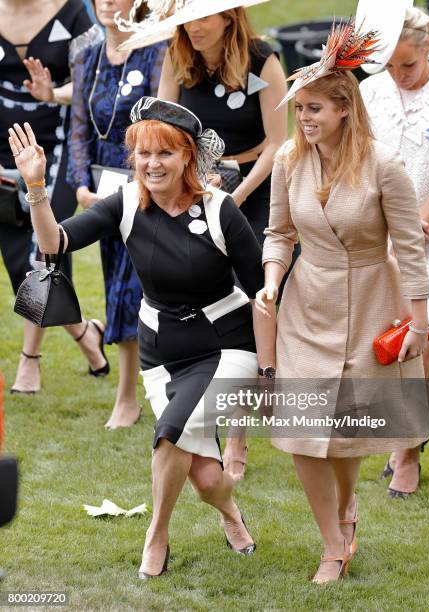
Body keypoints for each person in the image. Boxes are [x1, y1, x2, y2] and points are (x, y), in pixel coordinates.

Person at [8, 96, 274, 577]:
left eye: (164, 153)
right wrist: (35, 186)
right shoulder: (128, 201)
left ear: (188, 157)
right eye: (143, 154)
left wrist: (270, 373)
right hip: (161, 350)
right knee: (206, 476)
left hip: (226, 345)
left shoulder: (220, 212)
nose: (151, 164)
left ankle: (157, 535)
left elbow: (262, 297)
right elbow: (54, 245)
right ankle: (231, 514)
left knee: (168, 435)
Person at [255, 20, 429, 583]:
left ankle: (348, 505)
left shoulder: (385, 167)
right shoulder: (288, 159)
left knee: (349, 427)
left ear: (344, 110)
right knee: (305, 430)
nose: (303, 120)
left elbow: (409, 246)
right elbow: (278, 232)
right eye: (299, 110)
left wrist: (419, 324)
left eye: (314, 110)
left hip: (373, 299)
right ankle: (332, 543)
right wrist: (272, 279)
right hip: (308, 304)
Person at [121, 0, 289, 478]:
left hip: (250, 187)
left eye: (203, 17)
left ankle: (237, 433)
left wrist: (234, 197)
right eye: (186, 18)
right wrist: (192, 183)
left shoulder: (262, 60)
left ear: (228, 17)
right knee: (200, 290)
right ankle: (200, 402)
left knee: (250, 295)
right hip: (192, 186)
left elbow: (278, 142)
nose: (193, 28)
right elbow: (163, 126)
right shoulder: (178, 58)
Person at [360, 4, 429, 497]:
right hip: (377, 234)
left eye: (409, 65)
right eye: (391, 65)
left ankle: (408, 451)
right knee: (383, 344)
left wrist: (413, 226)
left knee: (421, 341)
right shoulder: (370, 89)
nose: (398, 75)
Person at [0, 0, 108, 394]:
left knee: (42, 252)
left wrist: (54, 92)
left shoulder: (74, 13)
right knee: (17, 263)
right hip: (4, 150)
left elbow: (99, 76)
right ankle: (86, 335)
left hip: (59, 150)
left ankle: (29, 361)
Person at [68, 0, 167, 429]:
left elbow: (165, 123)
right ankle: (133, 392)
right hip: (102, 189)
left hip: (148, 180)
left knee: (139, 288)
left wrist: (144, 177)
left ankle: (139, 392)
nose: (108, 2)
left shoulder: (155, 51)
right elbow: (78, 127)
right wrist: (80, 184)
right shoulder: (87, 56)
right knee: (117, 286)